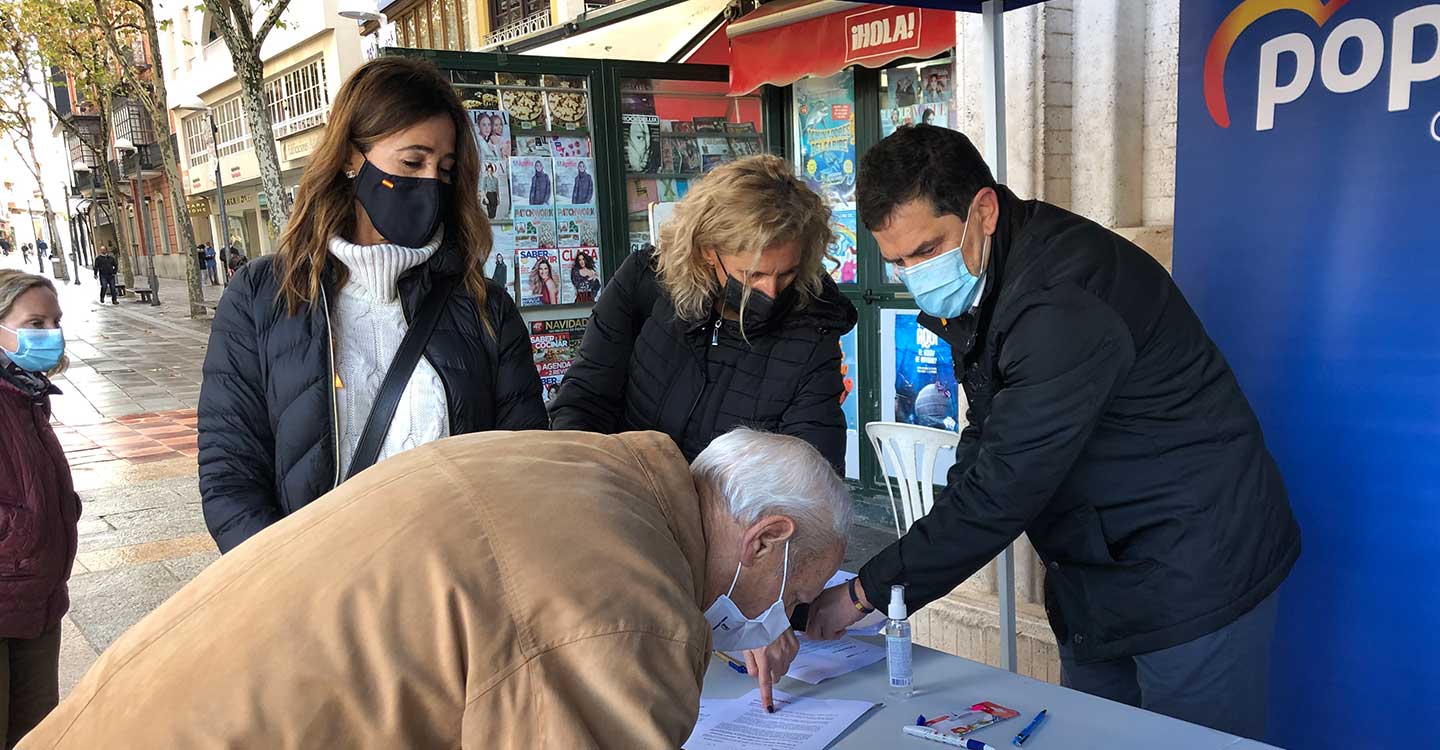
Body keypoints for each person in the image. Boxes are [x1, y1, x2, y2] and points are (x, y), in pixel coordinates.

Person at [805, 125, 1301, 741]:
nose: (914, 276)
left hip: (1196, 565)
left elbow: (1004, 487)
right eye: (898, 261)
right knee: (1089, 734)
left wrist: (864, 592)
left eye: (926, 249)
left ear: (982, 211)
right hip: (1101, 566)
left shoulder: (1062, 302)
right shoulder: (994, 278)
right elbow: (987, 438)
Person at [24, 428, 851, 748]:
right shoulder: (626, 609)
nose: (788, 618)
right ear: (765, 537)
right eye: (800, 595)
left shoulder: (600, 472)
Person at [198, 57, 548, 554]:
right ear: (349, 157)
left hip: (453, 595)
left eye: (444, 170)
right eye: (411, 162)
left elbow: (523, 462)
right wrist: (298, 585)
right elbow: (230, 474)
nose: (429, 181)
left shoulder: (483, 306)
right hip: (317, 600)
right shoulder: (263, 297)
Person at [550, 154, 858, 473]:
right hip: (628, 498)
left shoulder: (813, 329)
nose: (771, 291)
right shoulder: (645, 283)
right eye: (753, 275)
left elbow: (813, 469)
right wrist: (591, 483)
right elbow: (584, 399)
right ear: (708, 251)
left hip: (736, 517)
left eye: (787, 274)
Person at [0, 270, 81, 747]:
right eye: (34, 323)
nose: (49, 334)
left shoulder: (26, 394)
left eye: (55, 321)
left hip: (38, 604)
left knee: (36, 736)